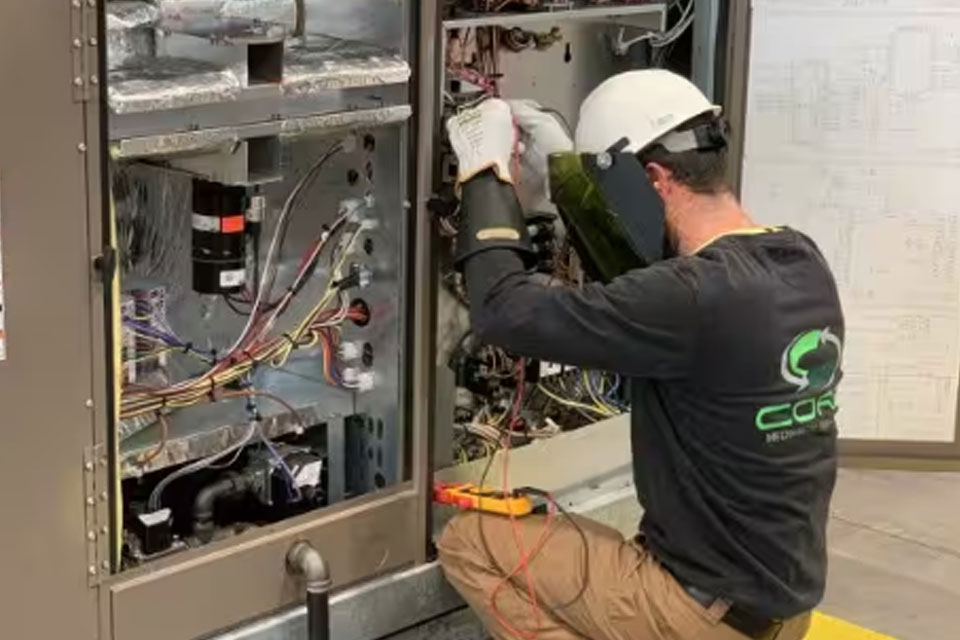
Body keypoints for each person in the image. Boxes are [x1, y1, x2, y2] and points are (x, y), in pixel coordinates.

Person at [436, 70, 845, 640]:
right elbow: (650, 290)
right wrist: (570, 182)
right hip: (779, 612)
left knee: (468, 542)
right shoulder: (801, 261)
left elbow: (507, 312)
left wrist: (484, 174)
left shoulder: (693, 297)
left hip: (699, 615)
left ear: (653, 179)